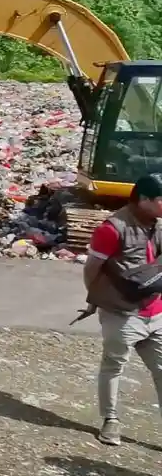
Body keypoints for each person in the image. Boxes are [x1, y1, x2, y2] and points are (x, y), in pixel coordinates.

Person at [78, 173, 162, 447]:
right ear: (144, 200)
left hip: (156, 312)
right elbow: (92, 268)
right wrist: (96, 298)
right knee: (114, 365)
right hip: (123, 314)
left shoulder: (157, 225)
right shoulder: (113, 228)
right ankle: (110, 420)